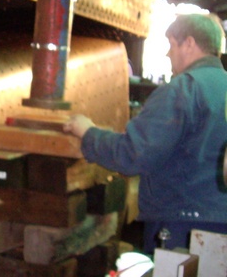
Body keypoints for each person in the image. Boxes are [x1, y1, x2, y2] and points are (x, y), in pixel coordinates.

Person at [63, 13, 227, 254]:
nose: (168, 54)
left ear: (189, 43)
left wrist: (87, 133)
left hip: (181, 226)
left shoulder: (182, 90)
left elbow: (133, 155)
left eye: (171, 45)